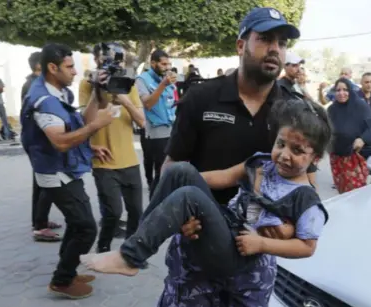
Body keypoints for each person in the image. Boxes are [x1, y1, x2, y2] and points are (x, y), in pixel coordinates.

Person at [138, 7, 320, 307]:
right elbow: (174, 165)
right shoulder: (202, 97)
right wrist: (180, 217)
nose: (275, 49)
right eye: (264, 38)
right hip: (198, 239)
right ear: (241, 44)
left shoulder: (293, 109)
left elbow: (306, 181)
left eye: (281, 43)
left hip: (255, 249)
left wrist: (290, 224)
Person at [80, 98, 330, 279]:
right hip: (225, 226)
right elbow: (224, 176)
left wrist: (263, 245)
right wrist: (185, 179)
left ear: (316, 158)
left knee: (188, 195)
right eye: (281, 144)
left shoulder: (307, 201)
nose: (285, 155)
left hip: (240, 253)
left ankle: (131, 256)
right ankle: (135, 252)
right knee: (178, 171)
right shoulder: (262, 162)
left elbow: (307, 247)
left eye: (297, 151)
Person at [20, 43, 116, 299]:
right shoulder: (44, 100)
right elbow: (60, 141)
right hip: (55, 174)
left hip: (64, 169)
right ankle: (62, 280)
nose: (75, 72)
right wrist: (97, 125)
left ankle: (68, 272)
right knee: (86, 228)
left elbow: (79, 123)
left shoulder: (59, 93)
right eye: (70, 66)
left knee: (77, 224)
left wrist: (97, 91)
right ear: (52, 68)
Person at [79, 44, 146, 253]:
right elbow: (86, 122)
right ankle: (104, 246)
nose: (110, 64)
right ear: (96, 60)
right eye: (103, 59)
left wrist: (125, 99)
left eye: (116, 60)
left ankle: (131, 251)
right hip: (104, 162)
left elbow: (142, 122)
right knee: (113, 212)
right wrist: (96, 91)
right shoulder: (87, 84)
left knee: (136, 211)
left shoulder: (130, 84)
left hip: (130, 161)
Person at [23, 51, 62, 241]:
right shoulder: (34, 87)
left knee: (41, 183)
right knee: (46, 183)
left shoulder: (36, 83)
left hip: (39, 143)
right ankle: (39, 226)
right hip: (39, 143)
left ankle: (40, 220)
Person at [135, 50, 177, 198]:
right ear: (153, 63)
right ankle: (155, 202)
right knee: (160, 171)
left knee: (168, 170)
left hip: (171, 129)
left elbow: (172, 102)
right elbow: (148, 104)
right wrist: (162, 85)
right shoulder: (142, 79)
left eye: (169, 64)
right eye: (163, 64)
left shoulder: (167, 78)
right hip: (155, 131)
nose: (167, 67)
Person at [327, 78, 371, 193]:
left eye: (345, 90)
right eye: (338, 90)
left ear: (350, 90)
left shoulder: (360, 106)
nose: (341, 93)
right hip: (336, 158)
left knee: (355, 192)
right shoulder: (331, 109)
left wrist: (362, 139)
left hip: (354, 157)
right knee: (342, 191)